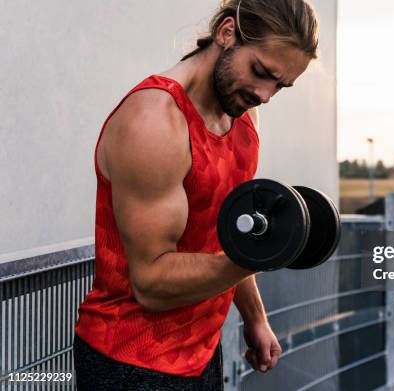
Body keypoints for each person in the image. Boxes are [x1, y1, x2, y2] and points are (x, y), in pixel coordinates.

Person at [72, 0, 319, 389]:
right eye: (260, 72)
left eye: (280, 85)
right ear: (226, 33)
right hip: (130, 363)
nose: (265, 94)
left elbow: (228, 239)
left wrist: (255, 318)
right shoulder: (154, 120)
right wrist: (268, 252)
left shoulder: (241, 112)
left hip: (202, 354)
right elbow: (151, 283)